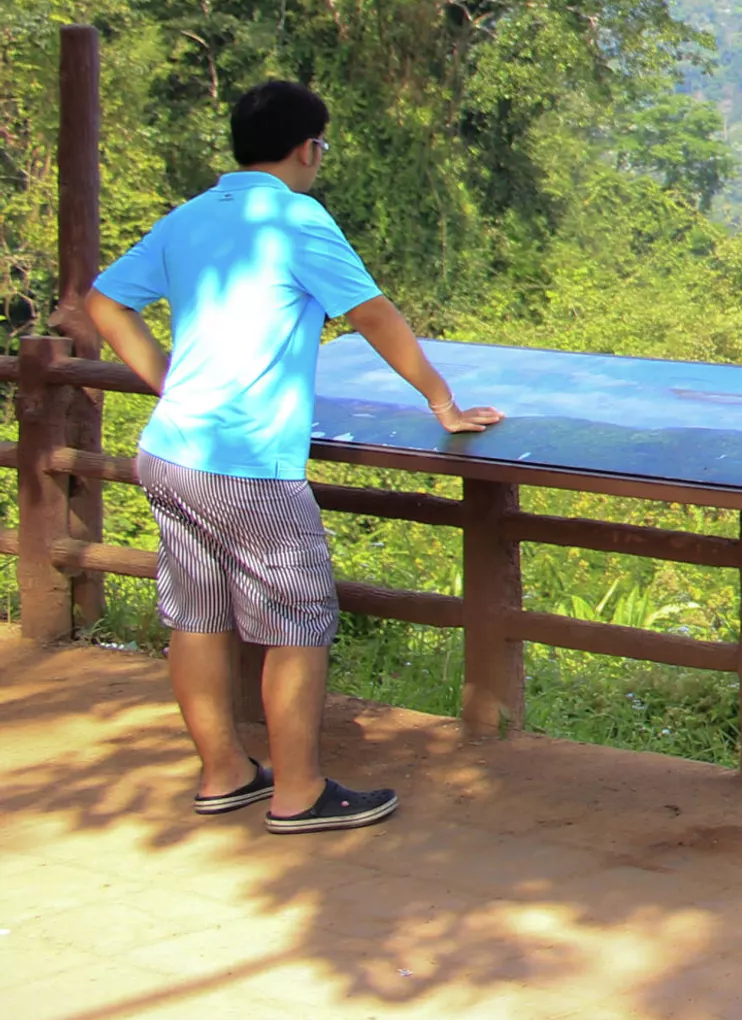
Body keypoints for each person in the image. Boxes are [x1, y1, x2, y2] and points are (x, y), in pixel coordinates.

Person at [84, 80, 502, 833]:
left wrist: (170, 384)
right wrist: (443, 402)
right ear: (309, 148)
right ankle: (300, 792)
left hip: (171, 449)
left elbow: (105, 303)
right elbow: (373, 315)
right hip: (246, 463)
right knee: (298, 622)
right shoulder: (297, 219)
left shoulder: (190, 216)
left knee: (198, 616)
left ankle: (225, 773)